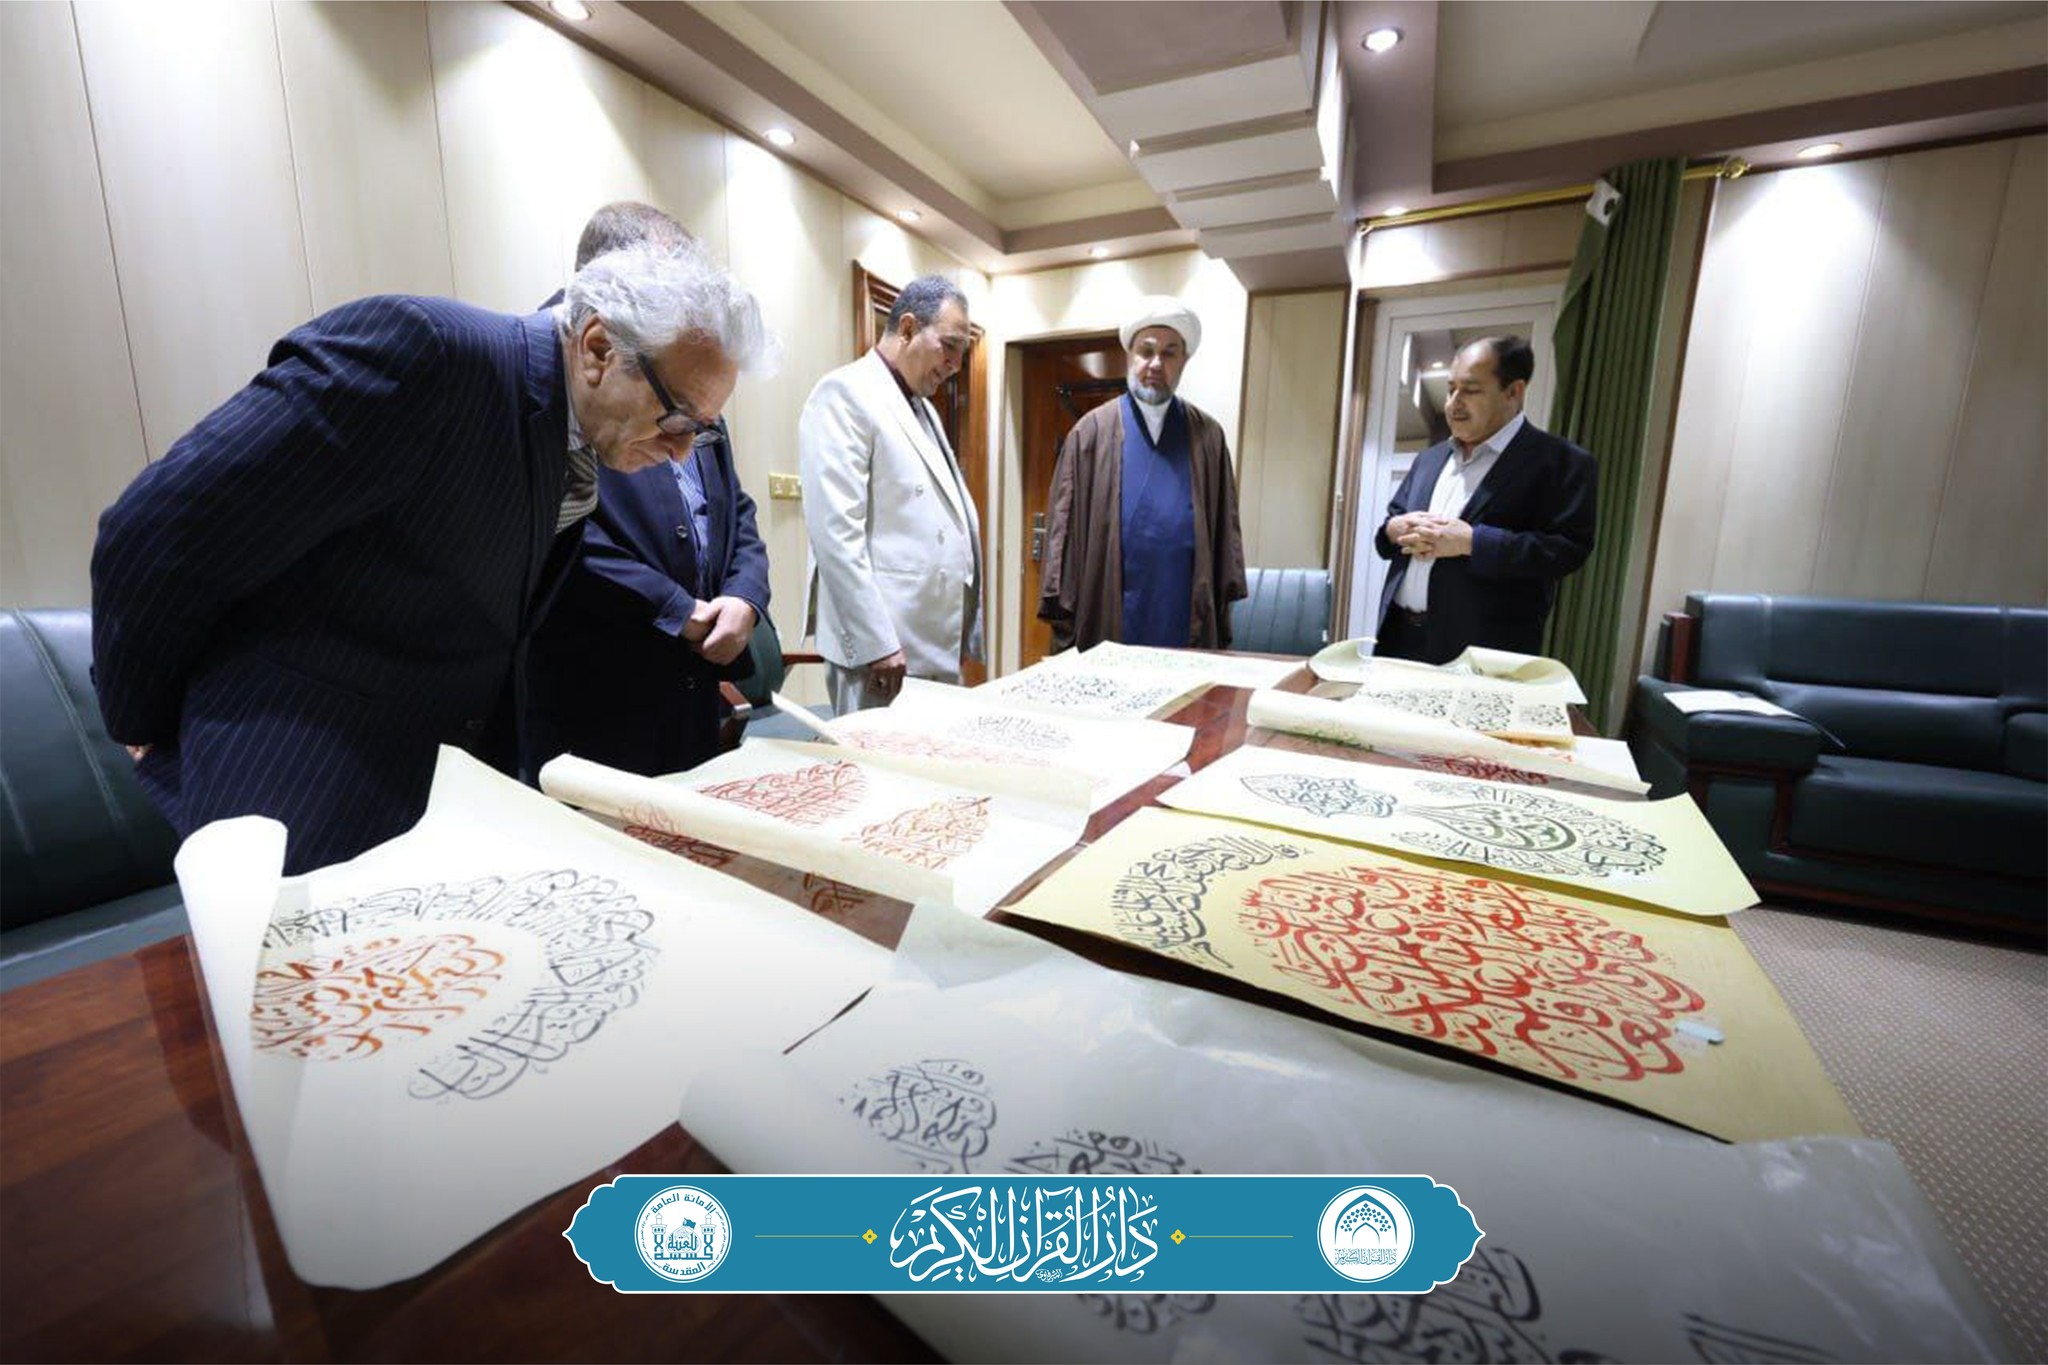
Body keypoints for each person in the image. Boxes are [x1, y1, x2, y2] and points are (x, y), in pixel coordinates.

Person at [90, 241, 774, 873]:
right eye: (677, 418)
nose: (683, 451)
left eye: (703, 430)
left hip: (432, 803)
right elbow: (157, 527)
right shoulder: (426, 356)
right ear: (597, 348)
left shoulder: (575, 439)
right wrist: (143, 724)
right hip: (296, 791)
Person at [525, 205, 770, 778]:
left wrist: (746, 596)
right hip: (596, 699)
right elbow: (561, 531)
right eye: (675, 284)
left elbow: (734, 508)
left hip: (692, 696)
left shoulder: (689, 363)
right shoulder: (550, 373)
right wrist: (673, 608)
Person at [798, 274, 981, 713]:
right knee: (872, 759)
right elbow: (835, 532)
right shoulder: (844, 393)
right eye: (950, 345)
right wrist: (876, 642)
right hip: (881, 652)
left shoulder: (923, 408)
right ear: (908, 328)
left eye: (962, 351)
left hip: (930, 641)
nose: (956, 364)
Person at [1038, 296, 1248, 654]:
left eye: (1169, 353)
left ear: (1184, 360)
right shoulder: (1090, 434)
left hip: (1184, 616)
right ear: (1129, 355)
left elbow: (1223, 539)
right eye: (1146, 351)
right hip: (1108, 615)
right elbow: (1063, 539)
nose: (1155, 363)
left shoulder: (1208, 437)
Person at [1372, 335, 1596, 663]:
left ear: (1513, 392)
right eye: (1450, 389)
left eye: (1470, 390)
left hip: (1483, 653)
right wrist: (1395, 529)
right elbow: (1390, 525)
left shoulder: (1563, 462)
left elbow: (1566, 551)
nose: (1453, 403)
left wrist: (1473, 542)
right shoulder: (1430, 459)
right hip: (1397, 637)